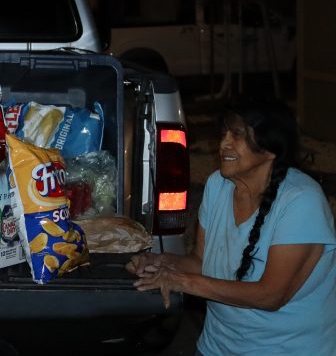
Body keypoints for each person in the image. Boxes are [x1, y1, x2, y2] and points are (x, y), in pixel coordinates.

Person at [126, 97, 336, 355]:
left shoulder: (302, 202)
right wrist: (158, 262)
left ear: (270, 148)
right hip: (218, 347)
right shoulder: (218, 186)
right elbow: (203, 262)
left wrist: (184, 282)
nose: (224, 143)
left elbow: (270, 296)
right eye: (224, 132)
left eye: (237, 134)